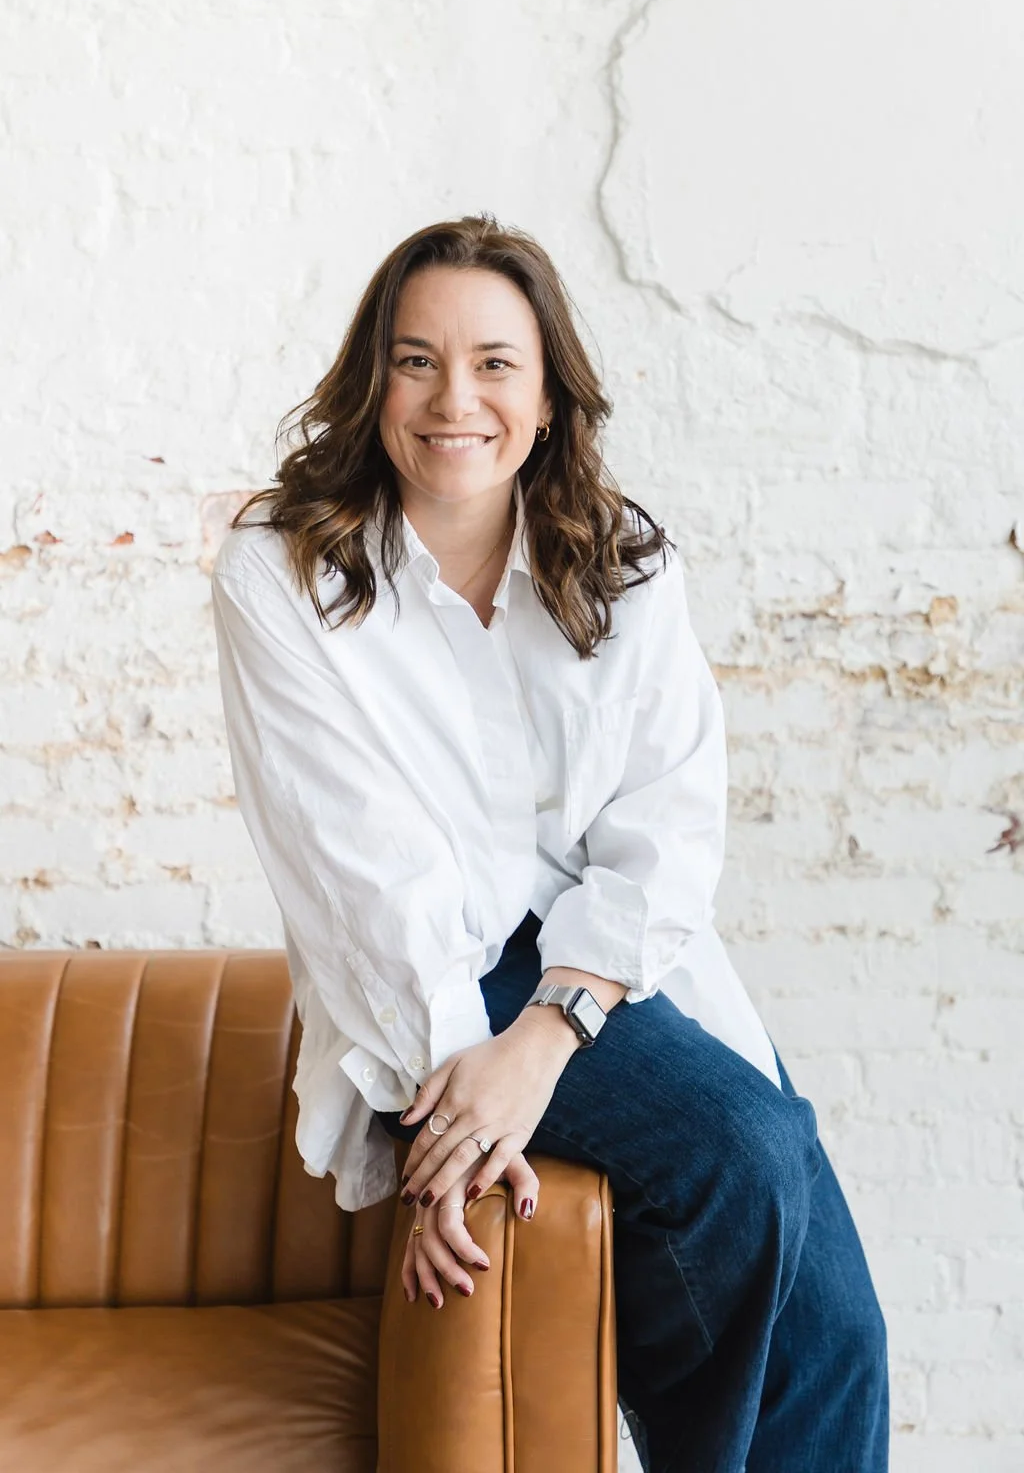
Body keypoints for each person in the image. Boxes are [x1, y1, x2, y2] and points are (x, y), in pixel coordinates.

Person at [211, 213, 888, 1472]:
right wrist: (456, 1113)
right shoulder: (283, 568)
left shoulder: (625, 560)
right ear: (374, 380)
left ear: (547, 392)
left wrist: (549, 1039)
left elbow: (667, 823)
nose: (452, 398)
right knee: (738, 1153)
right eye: (414, 360)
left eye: (493, 364)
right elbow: (358, 871)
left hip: (610, 955)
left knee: (841, 1330)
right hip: (440, 966)